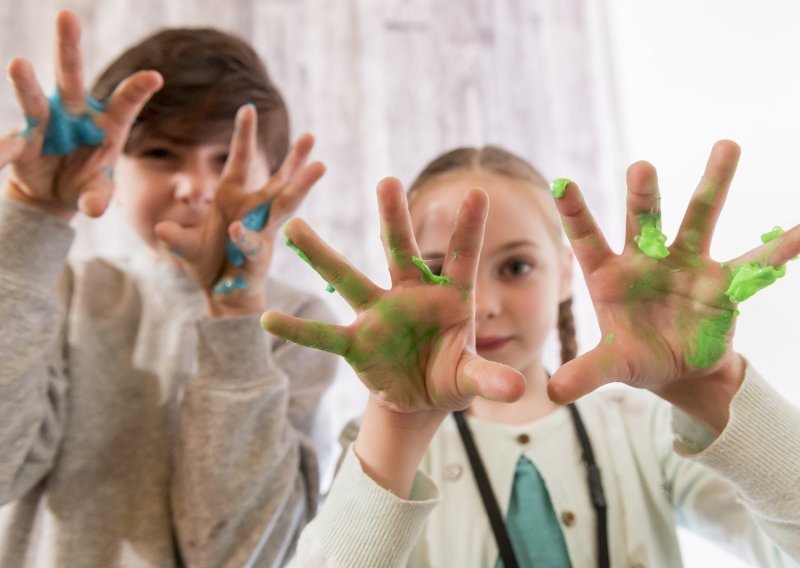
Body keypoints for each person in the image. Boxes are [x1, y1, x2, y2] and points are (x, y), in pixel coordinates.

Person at [263, 141, 800, 566]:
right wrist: (397, 425)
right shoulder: (381, 445)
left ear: (565, 272)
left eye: (517, 267)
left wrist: (710, 388)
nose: (486, 305)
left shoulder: (644, 430)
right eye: (442, 272)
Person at [0, 10, 336, 567]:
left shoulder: (297, 321)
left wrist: (235, 314)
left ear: (275, 175)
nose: (194, 186)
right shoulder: (64, 291)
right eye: (160, 154)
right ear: (110, 163)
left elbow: (244, 552)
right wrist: (33, 218)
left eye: (225, 160)